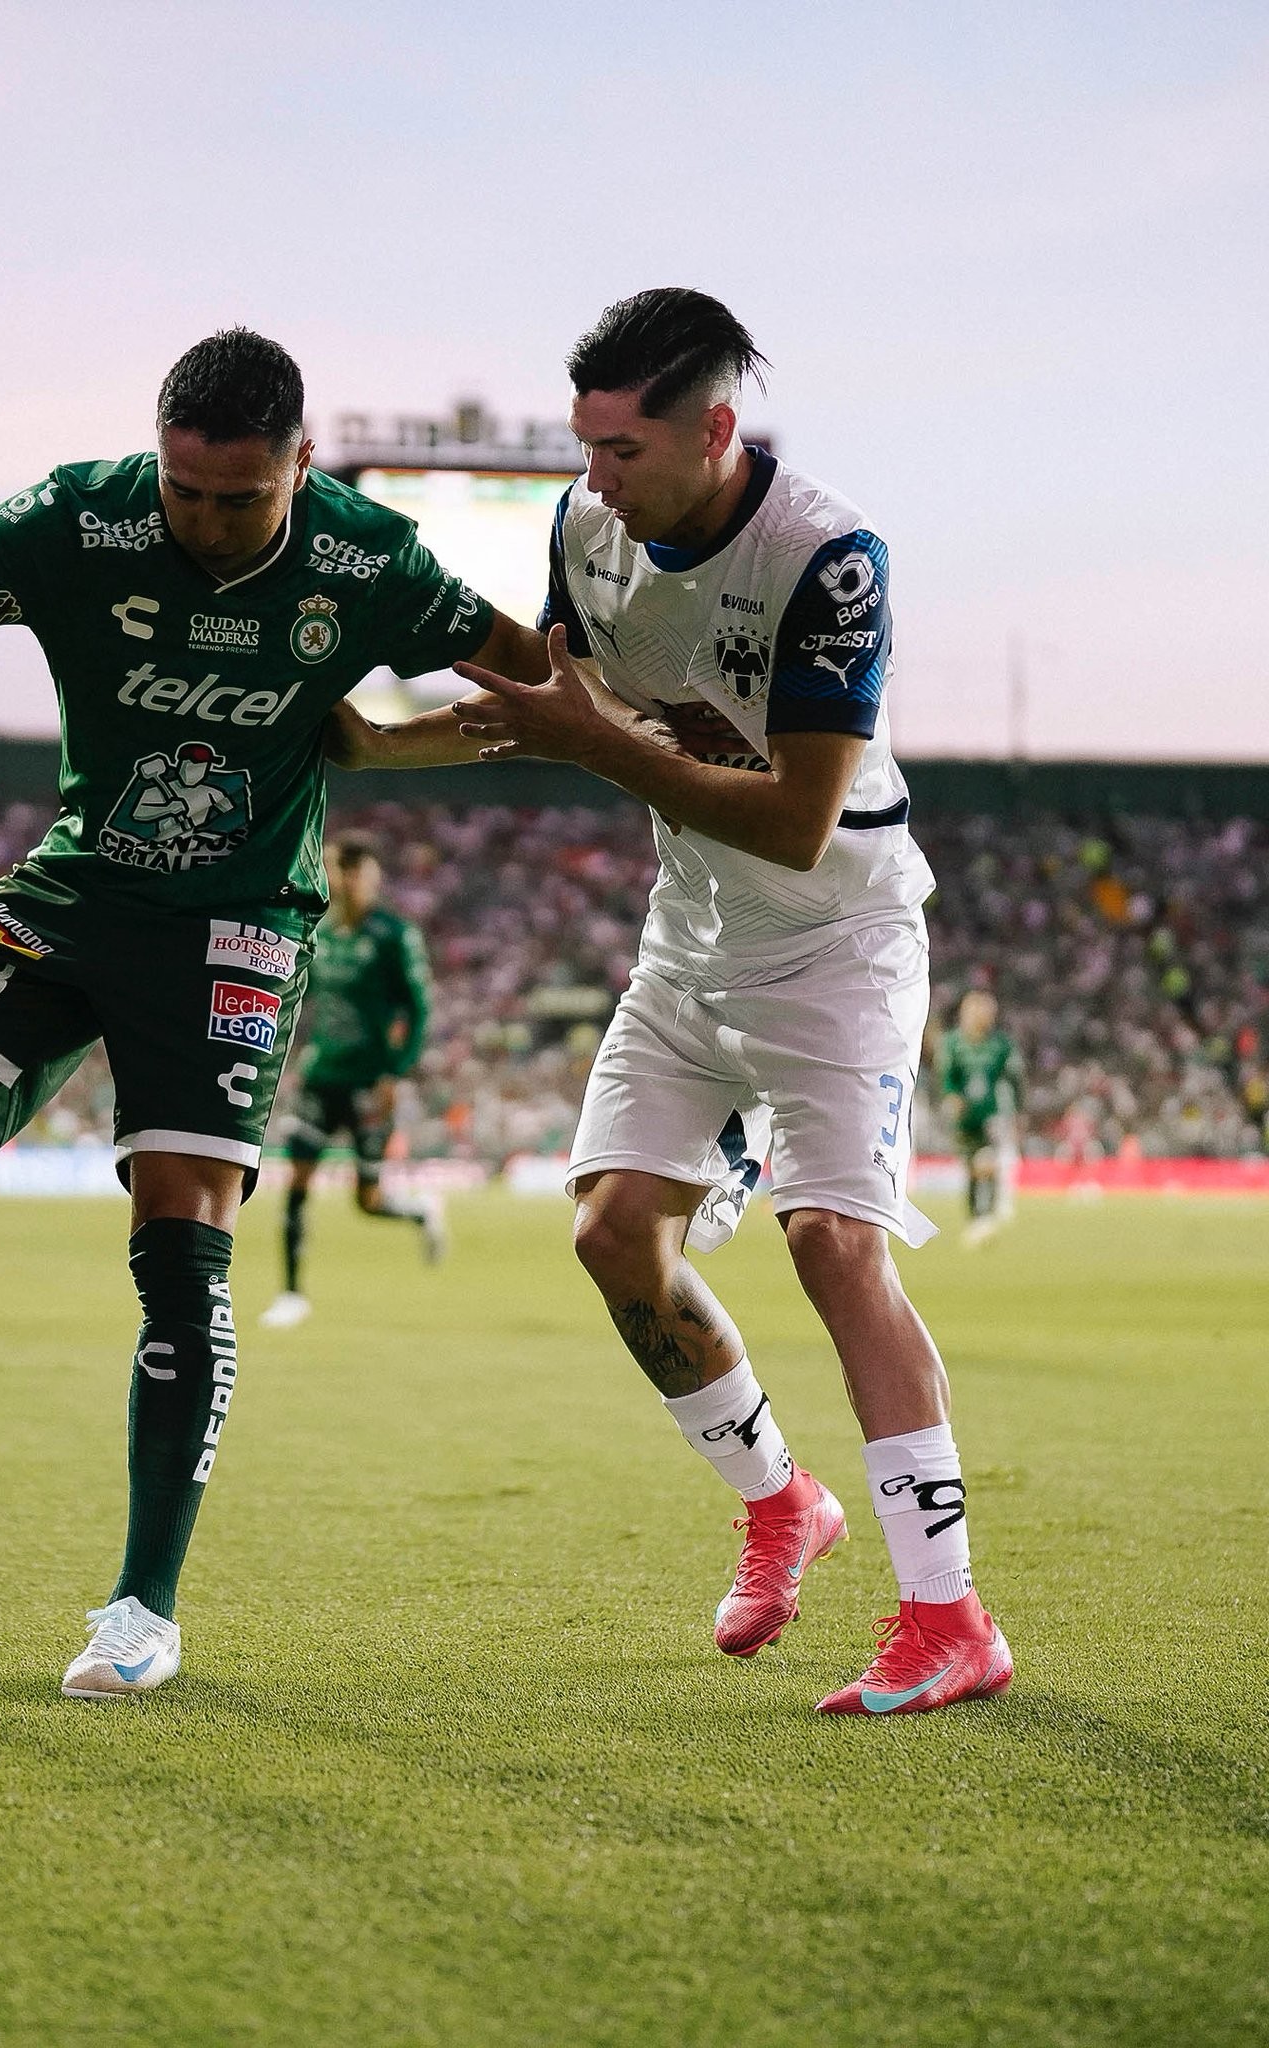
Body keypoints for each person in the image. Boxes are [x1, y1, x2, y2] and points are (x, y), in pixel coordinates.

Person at [0, 328, 568, 1699]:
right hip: (81, 885)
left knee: (181, 1238)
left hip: (240, 926)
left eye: (240, 499)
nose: (205, 523)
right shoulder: (77, 517)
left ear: (299, 468)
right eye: (186, 491)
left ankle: (143, 1610)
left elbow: (547, 685)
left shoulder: (366, 558)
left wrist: (388, 743)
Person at [340, 288, 1011, 1717]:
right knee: (608, 1234)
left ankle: (951, 1619)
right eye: (586, 446)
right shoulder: (592, 532)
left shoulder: (828, 559)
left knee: (834, 1243)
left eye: (623, 451)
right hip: (690, 934)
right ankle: (781, 1503)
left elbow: (795, 820)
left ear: (715, 429)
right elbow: (542, 696)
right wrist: (370, 745)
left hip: (835, 935)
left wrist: (595, 742)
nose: (595, 480)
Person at [262, 831, 443, 1328]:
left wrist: (395, 1072)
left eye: (348, 870)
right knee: (296, 1181)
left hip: (369, 1081)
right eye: (334, 868)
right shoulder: (317, 928)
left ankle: (422, 1212)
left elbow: (419, 1006)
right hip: (321, 1076)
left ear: (368, 876)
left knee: (369, 1201)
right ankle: (292, 1293)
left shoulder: (393, 934)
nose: (338, 879)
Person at [939, 989, 1023, 1243]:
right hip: (964, 1117)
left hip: (991, 1114)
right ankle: (977, 1216)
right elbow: (946, 1077)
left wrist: (1017, 1110)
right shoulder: (953, 1043)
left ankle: (987, 1212)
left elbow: (1015, 1078)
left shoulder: (1000, 1044)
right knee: (972, 1170)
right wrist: (952, 1096)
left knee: (987, 1162)